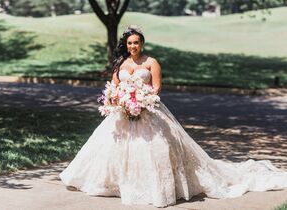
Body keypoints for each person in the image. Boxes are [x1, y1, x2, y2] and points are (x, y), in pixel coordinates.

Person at [59, 25, 287, 207]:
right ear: (126, 45)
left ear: (142, 43)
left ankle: (156, 186)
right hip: (122, 115)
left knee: (155, 149)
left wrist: (140, 97)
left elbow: (157, 88)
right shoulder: (121, 63)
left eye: (136, 42)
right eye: (129, 43)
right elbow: (114, 86)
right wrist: (116, 100)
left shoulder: (151, 63)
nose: (133, 46)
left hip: (147, 111)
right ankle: (114, 184)